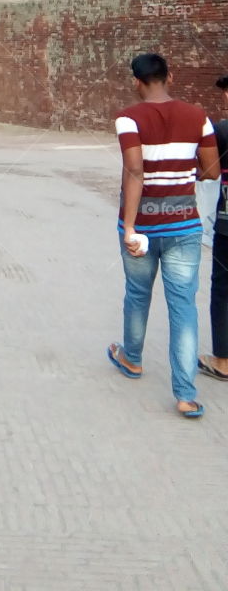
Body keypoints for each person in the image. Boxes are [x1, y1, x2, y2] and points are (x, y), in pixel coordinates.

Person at [107, 52, 219, 418]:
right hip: (184, 224)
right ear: (169, 77)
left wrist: (128, 226)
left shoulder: (128, 118)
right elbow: (212, 170)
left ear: (136, 82)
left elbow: (134, 171)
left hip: (144, 224)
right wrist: (190, 175)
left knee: (137, 294)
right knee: (183, 307)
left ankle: (133, 359)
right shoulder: (198, 116)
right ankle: (186, 395)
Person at [198, 74, 228, 381]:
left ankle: (223, 361)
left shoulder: (221, 131)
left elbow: (206, 172)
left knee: (223, 290)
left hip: (227, 226)